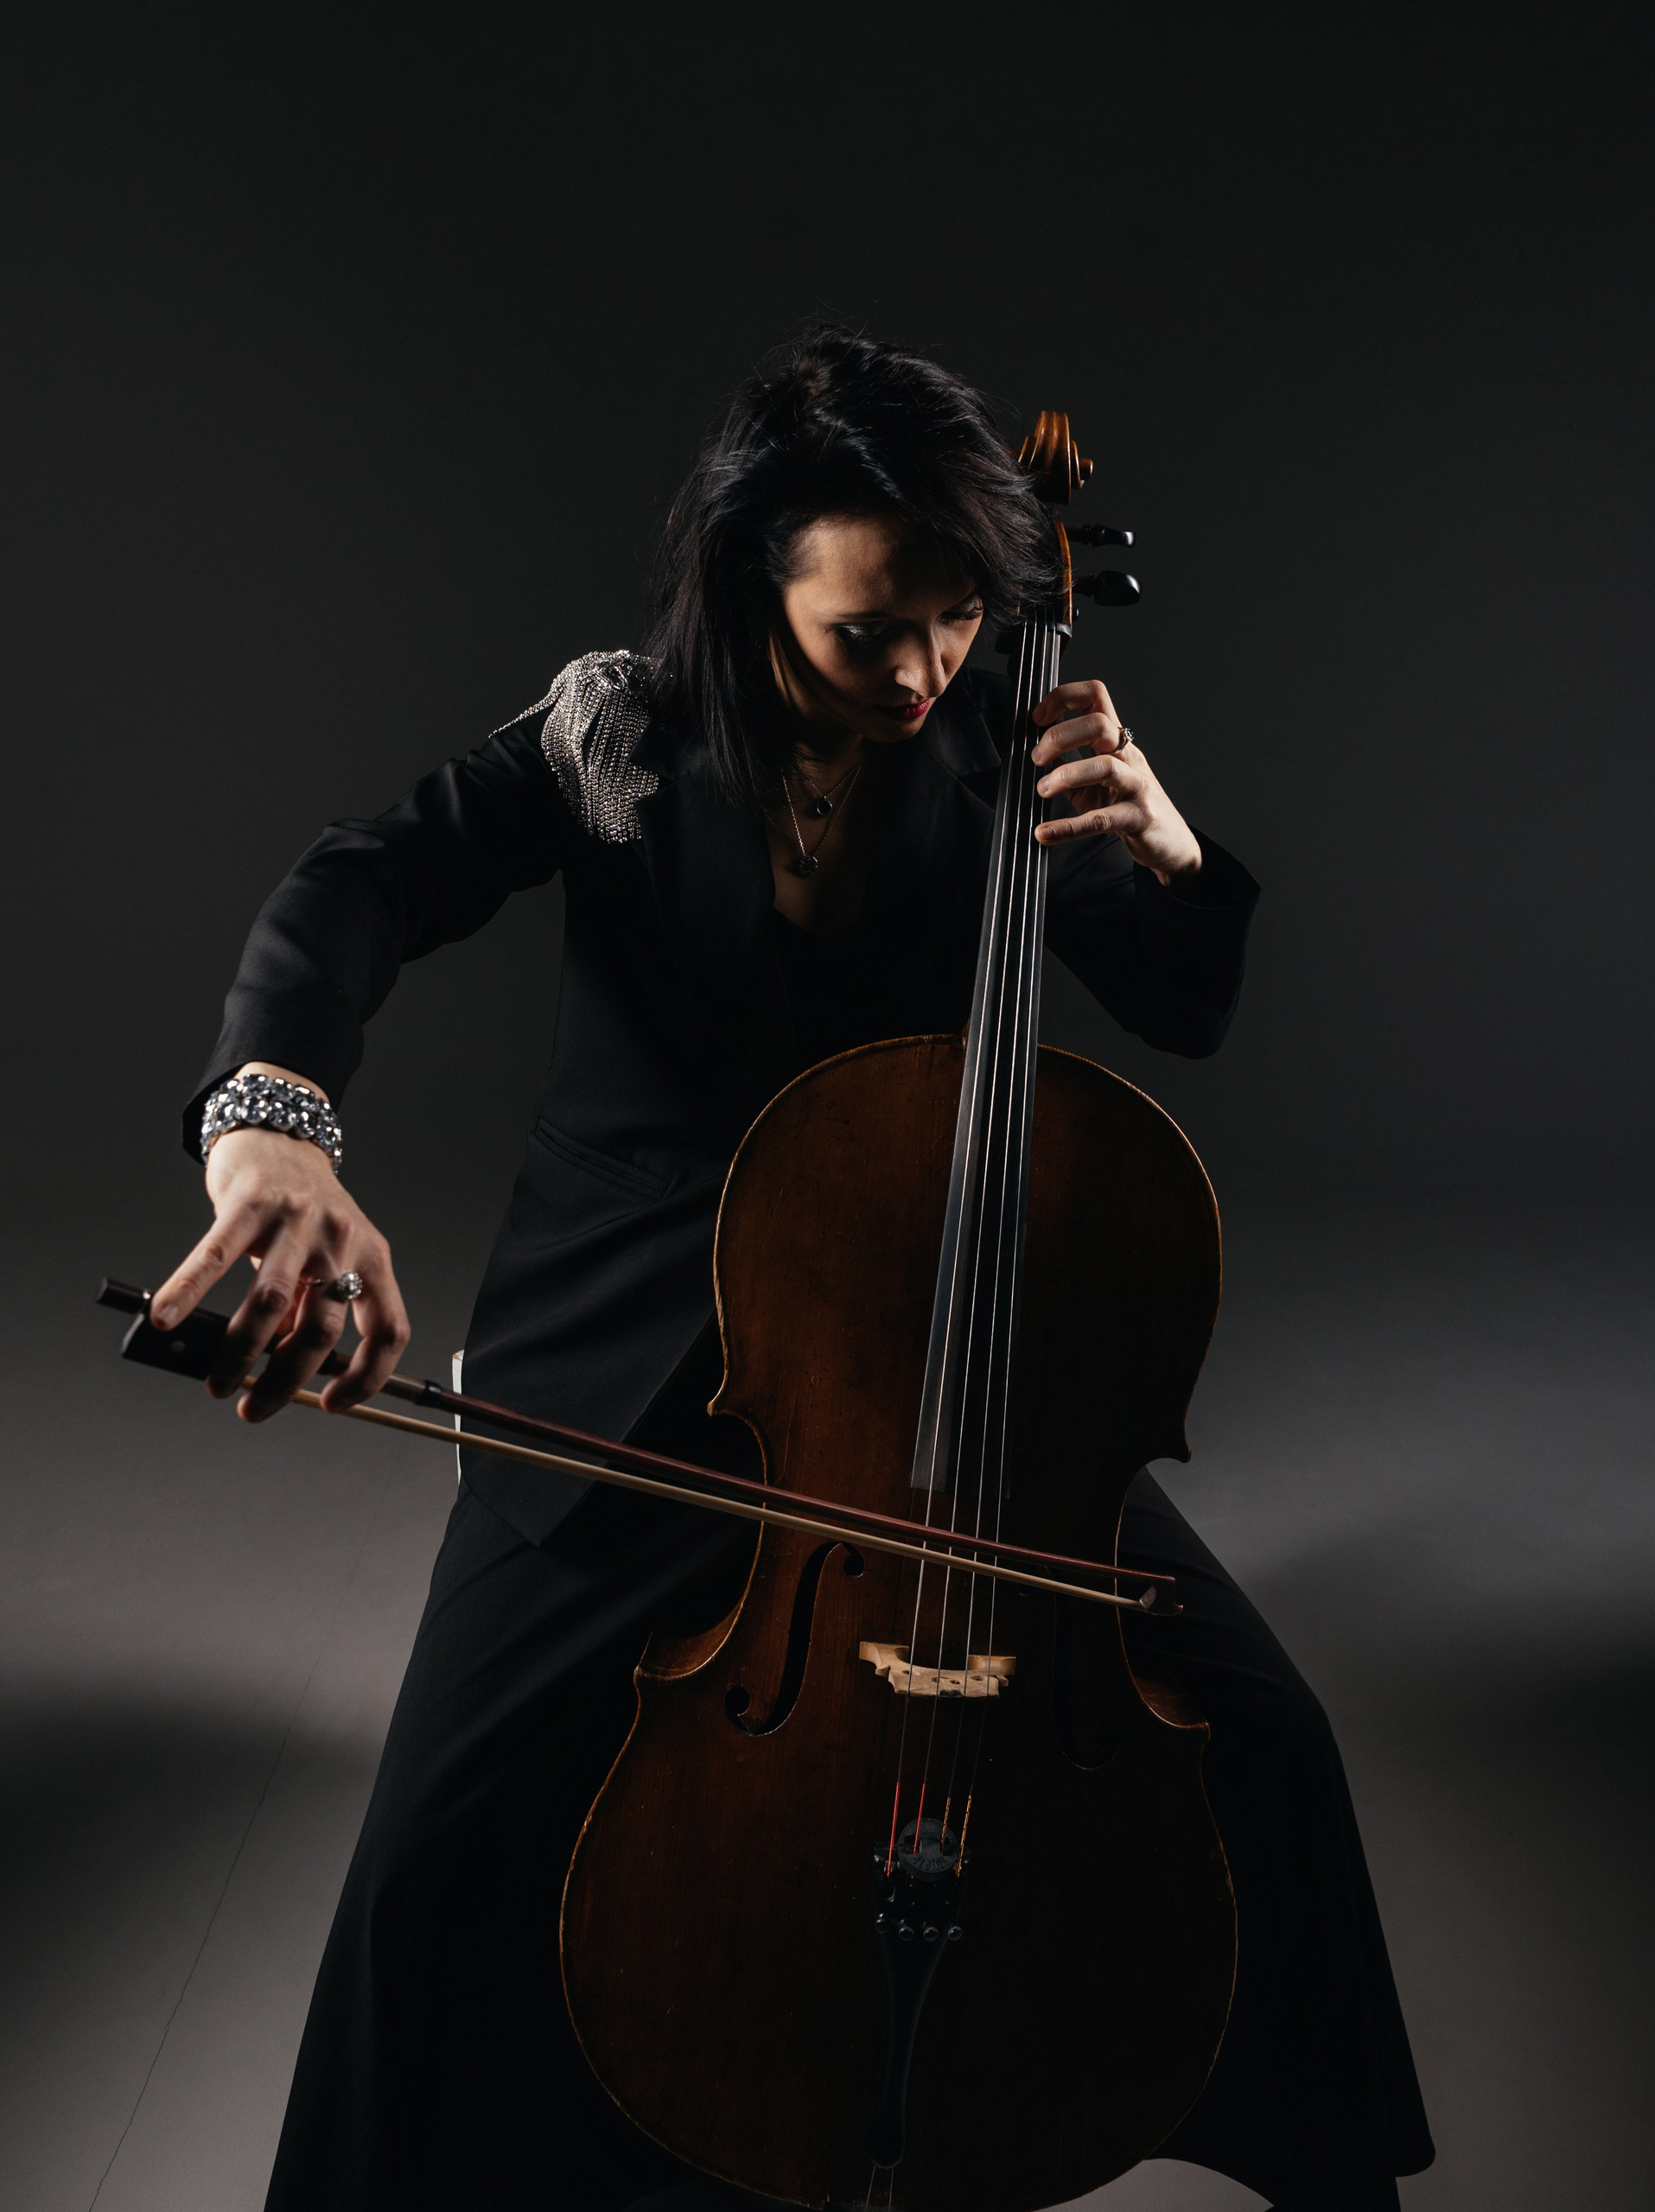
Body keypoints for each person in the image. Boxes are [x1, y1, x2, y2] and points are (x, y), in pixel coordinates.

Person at [153, 329, 1433, 2211]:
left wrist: (1168, 853)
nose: (920, 670)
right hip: (628, 1361)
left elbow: (1184, 1005)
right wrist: (270, 1124)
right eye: (866, 632)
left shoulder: (1005, 740)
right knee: (437, 1848)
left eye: (958, 617)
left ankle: (1324, 2169)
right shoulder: (620, 731)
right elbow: (361, 883)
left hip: (923, 1373)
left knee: (1268, 1748)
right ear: (759, 582)